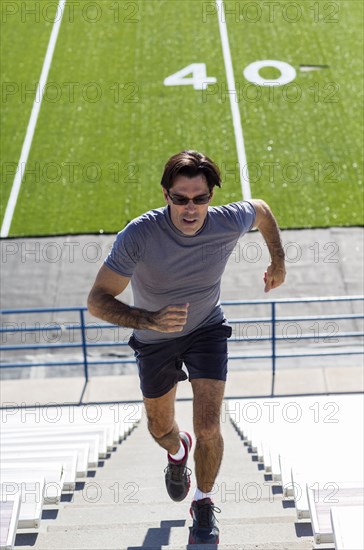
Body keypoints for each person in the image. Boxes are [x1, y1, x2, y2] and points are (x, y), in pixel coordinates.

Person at [87, 150, 286, 544]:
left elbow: (261, 210)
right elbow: (97, 300)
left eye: (200, 198)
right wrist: (149, 319)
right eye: (180, 199)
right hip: (153, 339)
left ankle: (204, 502)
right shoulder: (139, 235)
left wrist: (278, 262)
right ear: (166, 195)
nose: (190, 208)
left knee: (210, 424)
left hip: (206, 329)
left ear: (212, 196)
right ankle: (178, 454)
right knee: (160, 428)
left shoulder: (228, 220)